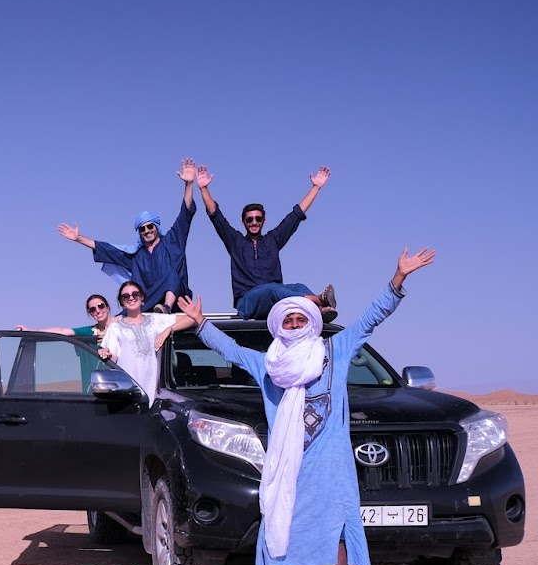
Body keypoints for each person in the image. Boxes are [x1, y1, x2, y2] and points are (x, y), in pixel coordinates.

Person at [177, 247, 436, 565]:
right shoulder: (269, 366)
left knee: (333, 539)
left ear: (313, 322)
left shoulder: (334, 352)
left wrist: (398, 278)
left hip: (328, 466)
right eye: (288, 319)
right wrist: (200, 325)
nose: (295, 323)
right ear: (279, 325)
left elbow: (370, 319)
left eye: (301, 318)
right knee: (274, 532)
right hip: (286, 465)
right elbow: (231, 351)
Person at [197, 164, 337, 321]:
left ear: (264, 221)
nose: (254, 222)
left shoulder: (272, 240)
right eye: (249, 219)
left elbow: (295, 216)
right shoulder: (235, 241)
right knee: (272, 289)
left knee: (299, 287)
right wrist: (203, 189)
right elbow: (216, 216)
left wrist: (316, 188)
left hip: (274, 297)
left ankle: (321, 311)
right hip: (248, 301)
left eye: (258, 219)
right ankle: (317, 300)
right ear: (243, 222)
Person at [58, 158, 199, 313]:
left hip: (177, 301)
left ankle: (166, 307)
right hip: (147, 302)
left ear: (157, 227)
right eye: (142, 229)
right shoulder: (136, 255)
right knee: (115, 320)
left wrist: (189, 184)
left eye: (150, 226)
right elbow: (107, 249)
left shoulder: (173, 241)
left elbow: (185, 214)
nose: (146, 231)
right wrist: (79, 238)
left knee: (172, 276)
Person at [97, 281, 195, 404]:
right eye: (126, 296)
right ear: (121, 302)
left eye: (135, 294)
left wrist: (168, 330)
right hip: (128, 394)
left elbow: (192, 318)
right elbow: (114, 358)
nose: (131, 298)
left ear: (142, 297)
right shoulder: (115, 327)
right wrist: (106, 353)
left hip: (155, 394)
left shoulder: (156, 320)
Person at [15, 293, 117, 347]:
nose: (98, 311)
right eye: (93, 309)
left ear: (107, 307)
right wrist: (31, 330)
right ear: (90, 313)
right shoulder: (90, 331)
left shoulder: (122, 323)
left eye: (101, 306)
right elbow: (62, 331)